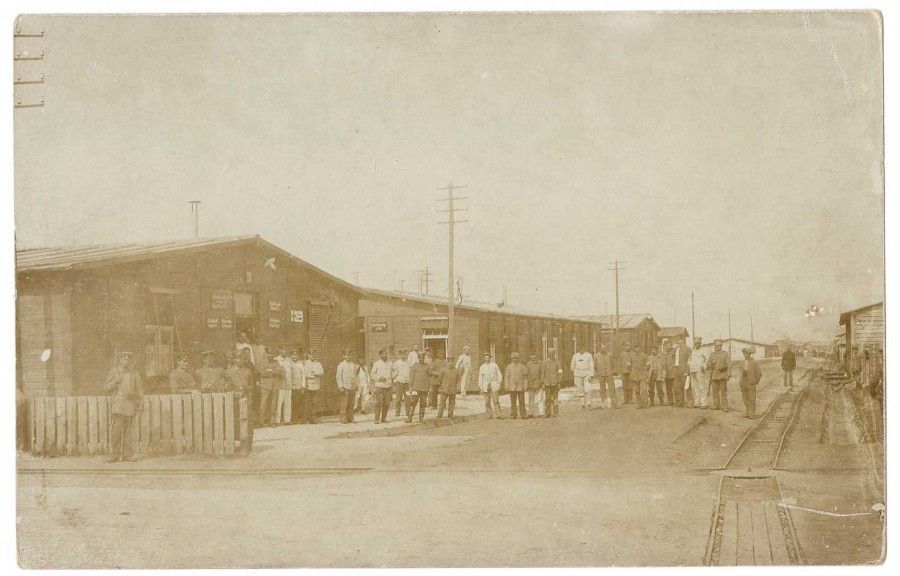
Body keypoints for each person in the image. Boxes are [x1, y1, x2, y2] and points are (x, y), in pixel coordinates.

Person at [104, 351, 144, 463]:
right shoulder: (114, 372)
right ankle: (114, 455)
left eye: (128, 359)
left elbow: (140, 391)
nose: (126, 361)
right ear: (120, 360)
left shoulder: (135, 373)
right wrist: (115, 382)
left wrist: (140, 404)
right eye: (124, 358)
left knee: (128, 431)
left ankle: (127, 455)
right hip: (118, 405)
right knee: (116, 431)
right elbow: (106, 388)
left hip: (130, 404)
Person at [225, 351, 256, 451]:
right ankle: (234, 444)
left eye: (242, 358)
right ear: (234, 360)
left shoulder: (248, 371)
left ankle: (247, 445)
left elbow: (252, 386)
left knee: (247, 423)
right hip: (233, 401)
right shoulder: (229, 371)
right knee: (234, 422)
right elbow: (225, 386)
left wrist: (246, 388)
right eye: (237, 358)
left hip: (246, 399)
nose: (240, 360)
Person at [256, 348, 282, 427]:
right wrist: (273, 371)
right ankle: (261, 422)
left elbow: (280, 371)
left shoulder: (276, 362)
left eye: (271, 354)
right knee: (263, 404)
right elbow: (262, 373)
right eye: (268, 353)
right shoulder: (262, 363)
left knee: (273, 404)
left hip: (274, 386)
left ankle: (272, 422)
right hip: (265, 386)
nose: (270, 355)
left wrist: (270, 370)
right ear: (265, 354)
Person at [371, 348, 394, 424]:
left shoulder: (390, 363)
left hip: (388, 387)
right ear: (380, 355)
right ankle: (376, 419)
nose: (385, 355)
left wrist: (393, 377)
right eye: (383, 354)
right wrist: (379, 378)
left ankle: (383, 419)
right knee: (378, 403)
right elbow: (372, 375)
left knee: (387, 404)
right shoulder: (376, 363)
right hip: (380, 387)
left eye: (386, 353)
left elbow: (394, 372)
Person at [707, 339, 731, 411]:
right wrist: (711, 363)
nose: (717, 347)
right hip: (714, 376)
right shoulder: (712, 354)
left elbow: (729, 365)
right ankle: (716, 405)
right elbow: (708, 365)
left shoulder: (725, 354)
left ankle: (724, 406)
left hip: (722, 375)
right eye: (716, 345)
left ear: (721, 345)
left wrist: (728, 375)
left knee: (723, 391)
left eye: (719, 345)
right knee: (715, 391)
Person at [407, 352, 431, 423]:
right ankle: (410, 418)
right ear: (418, 358)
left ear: (424, 358)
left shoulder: (427, 366)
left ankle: (421, 418)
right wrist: (410, 388)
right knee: (413, 403)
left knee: (423, 404)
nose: (421, 359)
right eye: (420, 358)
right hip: (416, 388)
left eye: (423, 358)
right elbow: (411, 377)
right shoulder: (414, 366)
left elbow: (430, 374)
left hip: (424, 388)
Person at [739, 347, 762, 419]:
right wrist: (741, 381)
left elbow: (759, 373)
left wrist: (755, 381)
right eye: (744, 354)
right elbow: (740, 372)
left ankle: (751, 413)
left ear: (749, 354)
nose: (745, 355)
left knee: (751, 398)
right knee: (745, 398)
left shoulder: (754, 362)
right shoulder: (742, 362)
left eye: (746, 354)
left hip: (751, 383)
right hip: (743, 382)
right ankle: (748, 412)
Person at [479, 352, 503, 419]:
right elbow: (480, 377)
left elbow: (499, 374)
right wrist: (481, 386)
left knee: (496, 400)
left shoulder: (494, 365)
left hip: (493, 384)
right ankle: (489, 415)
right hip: (486, 386)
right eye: (486, 358)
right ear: (484, 358)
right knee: (487, 402)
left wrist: (499, 383)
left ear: (490, 358)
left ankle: (498, 414)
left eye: (488, 358)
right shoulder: (482, 367)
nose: (487, 359)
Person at [273, 345, 293, 426]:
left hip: (288, 384)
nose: (284, 351)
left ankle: (287, 419)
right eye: (282, 349)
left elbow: (291, 371)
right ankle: (277, 420)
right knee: (279, 402)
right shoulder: (276, 360)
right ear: (279, 350)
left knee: (288, 402)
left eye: (285, 349)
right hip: (280, 384)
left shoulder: (289, 360)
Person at [336, 349, 357, 424]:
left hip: (352, 387)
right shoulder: (341, 365)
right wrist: (341, 386)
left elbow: (355, 376)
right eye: (346, 355)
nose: (348, 356)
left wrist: (355, 385)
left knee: (351, 404)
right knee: (344, 404)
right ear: (343, 356)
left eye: (349, 355)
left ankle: (351, 418)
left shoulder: (353, 364)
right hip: (345, 387)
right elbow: (338, 377)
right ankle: (343, 419)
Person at [302, 351, 324, 424]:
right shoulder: (305, 363)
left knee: (314, 403)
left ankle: (313, 419)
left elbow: (321, 372)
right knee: (306, 403)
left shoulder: (318, 363)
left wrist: (314, 373)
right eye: (311, 354)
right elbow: (305, 374)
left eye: (314, 354)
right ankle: (305, 419)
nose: (312, 356)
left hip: (315, 386)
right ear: (308, 355)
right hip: (308, 385)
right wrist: (313, 375)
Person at [505, 351, 528, 419]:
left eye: (516, 358)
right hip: (512, 387)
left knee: (522, 401)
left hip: (520, 387)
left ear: (518, 359)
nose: (515, 360)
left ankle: (523, 414)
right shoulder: (509, 367)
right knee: (513, 402)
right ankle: (513, 414)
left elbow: (525, 377)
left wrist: (525, 385)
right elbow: (506, 377)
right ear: (512, 359)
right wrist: (506, 386)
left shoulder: (522, 366)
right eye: (513, 358)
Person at [687, 338, 708, 408]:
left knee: (701, 387)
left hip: (699, 370)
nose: (696, 344)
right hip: (692, 371)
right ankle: (696, 402)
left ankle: (703, 403)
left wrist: (704, 366)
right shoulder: (693, 351)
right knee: (694, 387)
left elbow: (707, 360)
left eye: (697, 343)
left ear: (700, 343)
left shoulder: (703, 350)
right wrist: (690, 364)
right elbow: (689, 360)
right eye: (695, 343)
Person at [593, 344, 616, 409]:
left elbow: (613, 364)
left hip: (609, 374)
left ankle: (613, 403)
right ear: (600, 348)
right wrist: (597, 373)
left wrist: (612, 372)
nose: (604, 349)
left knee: (612, 389)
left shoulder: (609, 355)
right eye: (602, 348)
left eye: (605, 348)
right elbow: (594, 366)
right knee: (602, 390)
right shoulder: (596, 356)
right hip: (601, 375)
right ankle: (603, 403)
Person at [541, 349, 562, 417]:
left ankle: (556, 412)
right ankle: (547, 413)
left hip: (555, 383)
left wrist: (559, 383)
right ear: (548, 354)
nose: (551, 355)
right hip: (547, 383)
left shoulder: (558, 362)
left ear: (554, 354)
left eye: (552, 354)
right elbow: (542, 373)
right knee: (547, 399)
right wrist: (542, 383)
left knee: (555, 399)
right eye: (549, 354)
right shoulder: (544, 362)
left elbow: (560, 373)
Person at [289, 350, 306, 423]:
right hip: (291, 387)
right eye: (293, 355)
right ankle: (293, 419)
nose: (295, 357)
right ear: (291, 356)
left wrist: (303, 386)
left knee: (298, 403)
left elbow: (303, 376)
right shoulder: (289, 364)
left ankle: (299, 419)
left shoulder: (300, 365)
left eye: (296, 355)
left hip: (298, 387)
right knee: (292, 404)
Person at [392, 349, 411, 418]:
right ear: (400, 355)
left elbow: (410, 373)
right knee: (398, 399)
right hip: (399, 382)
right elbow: (394, 373)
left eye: (404, 354)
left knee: (408, 398)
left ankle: (408, 412)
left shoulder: (409, 363)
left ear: (406, 355)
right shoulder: (396, 363)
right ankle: (397, 412)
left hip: (407, 383)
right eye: (402, 354)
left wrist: (409, 380)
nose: (403, 356)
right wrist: (396, 380)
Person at [674, 338, 692, 407]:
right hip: (677, 370)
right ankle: (680, 402)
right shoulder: (676, 349)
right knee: (678, 387)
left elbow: (689, 361)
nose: (679, 343)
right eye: (678, 342)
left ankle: (690, 402)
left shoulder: (687, 349)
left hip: (684, 370)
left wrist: (687, 371)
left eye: (681, 341)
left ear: (683, 341)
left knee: (687, 386)